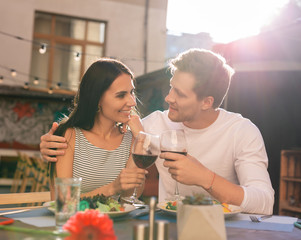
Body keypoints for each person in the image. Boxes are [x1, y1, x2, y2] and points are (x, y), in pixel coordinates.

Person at [41, 49, 274, 214]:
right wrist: (49, 144)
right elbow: (116, 130)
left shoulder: (242, 131)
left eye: (180, 94)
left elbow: (264, 203)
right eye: (171, 88)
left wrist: (205, 177)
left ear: (206, 102)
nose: (168, 98)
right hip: (171, 229)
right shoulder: (151, 126)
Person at [48, 58, 147, 199]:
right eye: (121, 95)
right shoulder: (69, 136)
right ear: (97, 99)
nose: (132, 102)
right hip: (75, 221)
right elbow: (62, 201)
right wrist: (112, 188)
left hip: (115, 221)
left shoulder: (132, 139)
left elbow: (128, 200)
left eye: (132, 92)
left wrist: (140, 140)